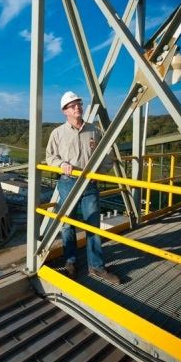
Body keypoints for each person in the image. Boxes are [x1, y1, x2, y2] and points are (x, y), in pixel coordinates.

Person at [46, 91, 120, 284]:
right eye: (72, 105)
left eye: (79, 104)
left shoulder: (94, 130)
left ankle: (96, 266)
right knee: (68, 225)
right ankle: (70, 262)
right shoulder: (57, 133)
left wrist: (99, 173)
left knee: (93, 225)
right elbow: (50, 157)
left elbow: (107, 155)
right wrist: (61, 164)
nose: (77, 107)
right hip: (67, 184)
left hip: (90, 185)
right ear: (64, 111)